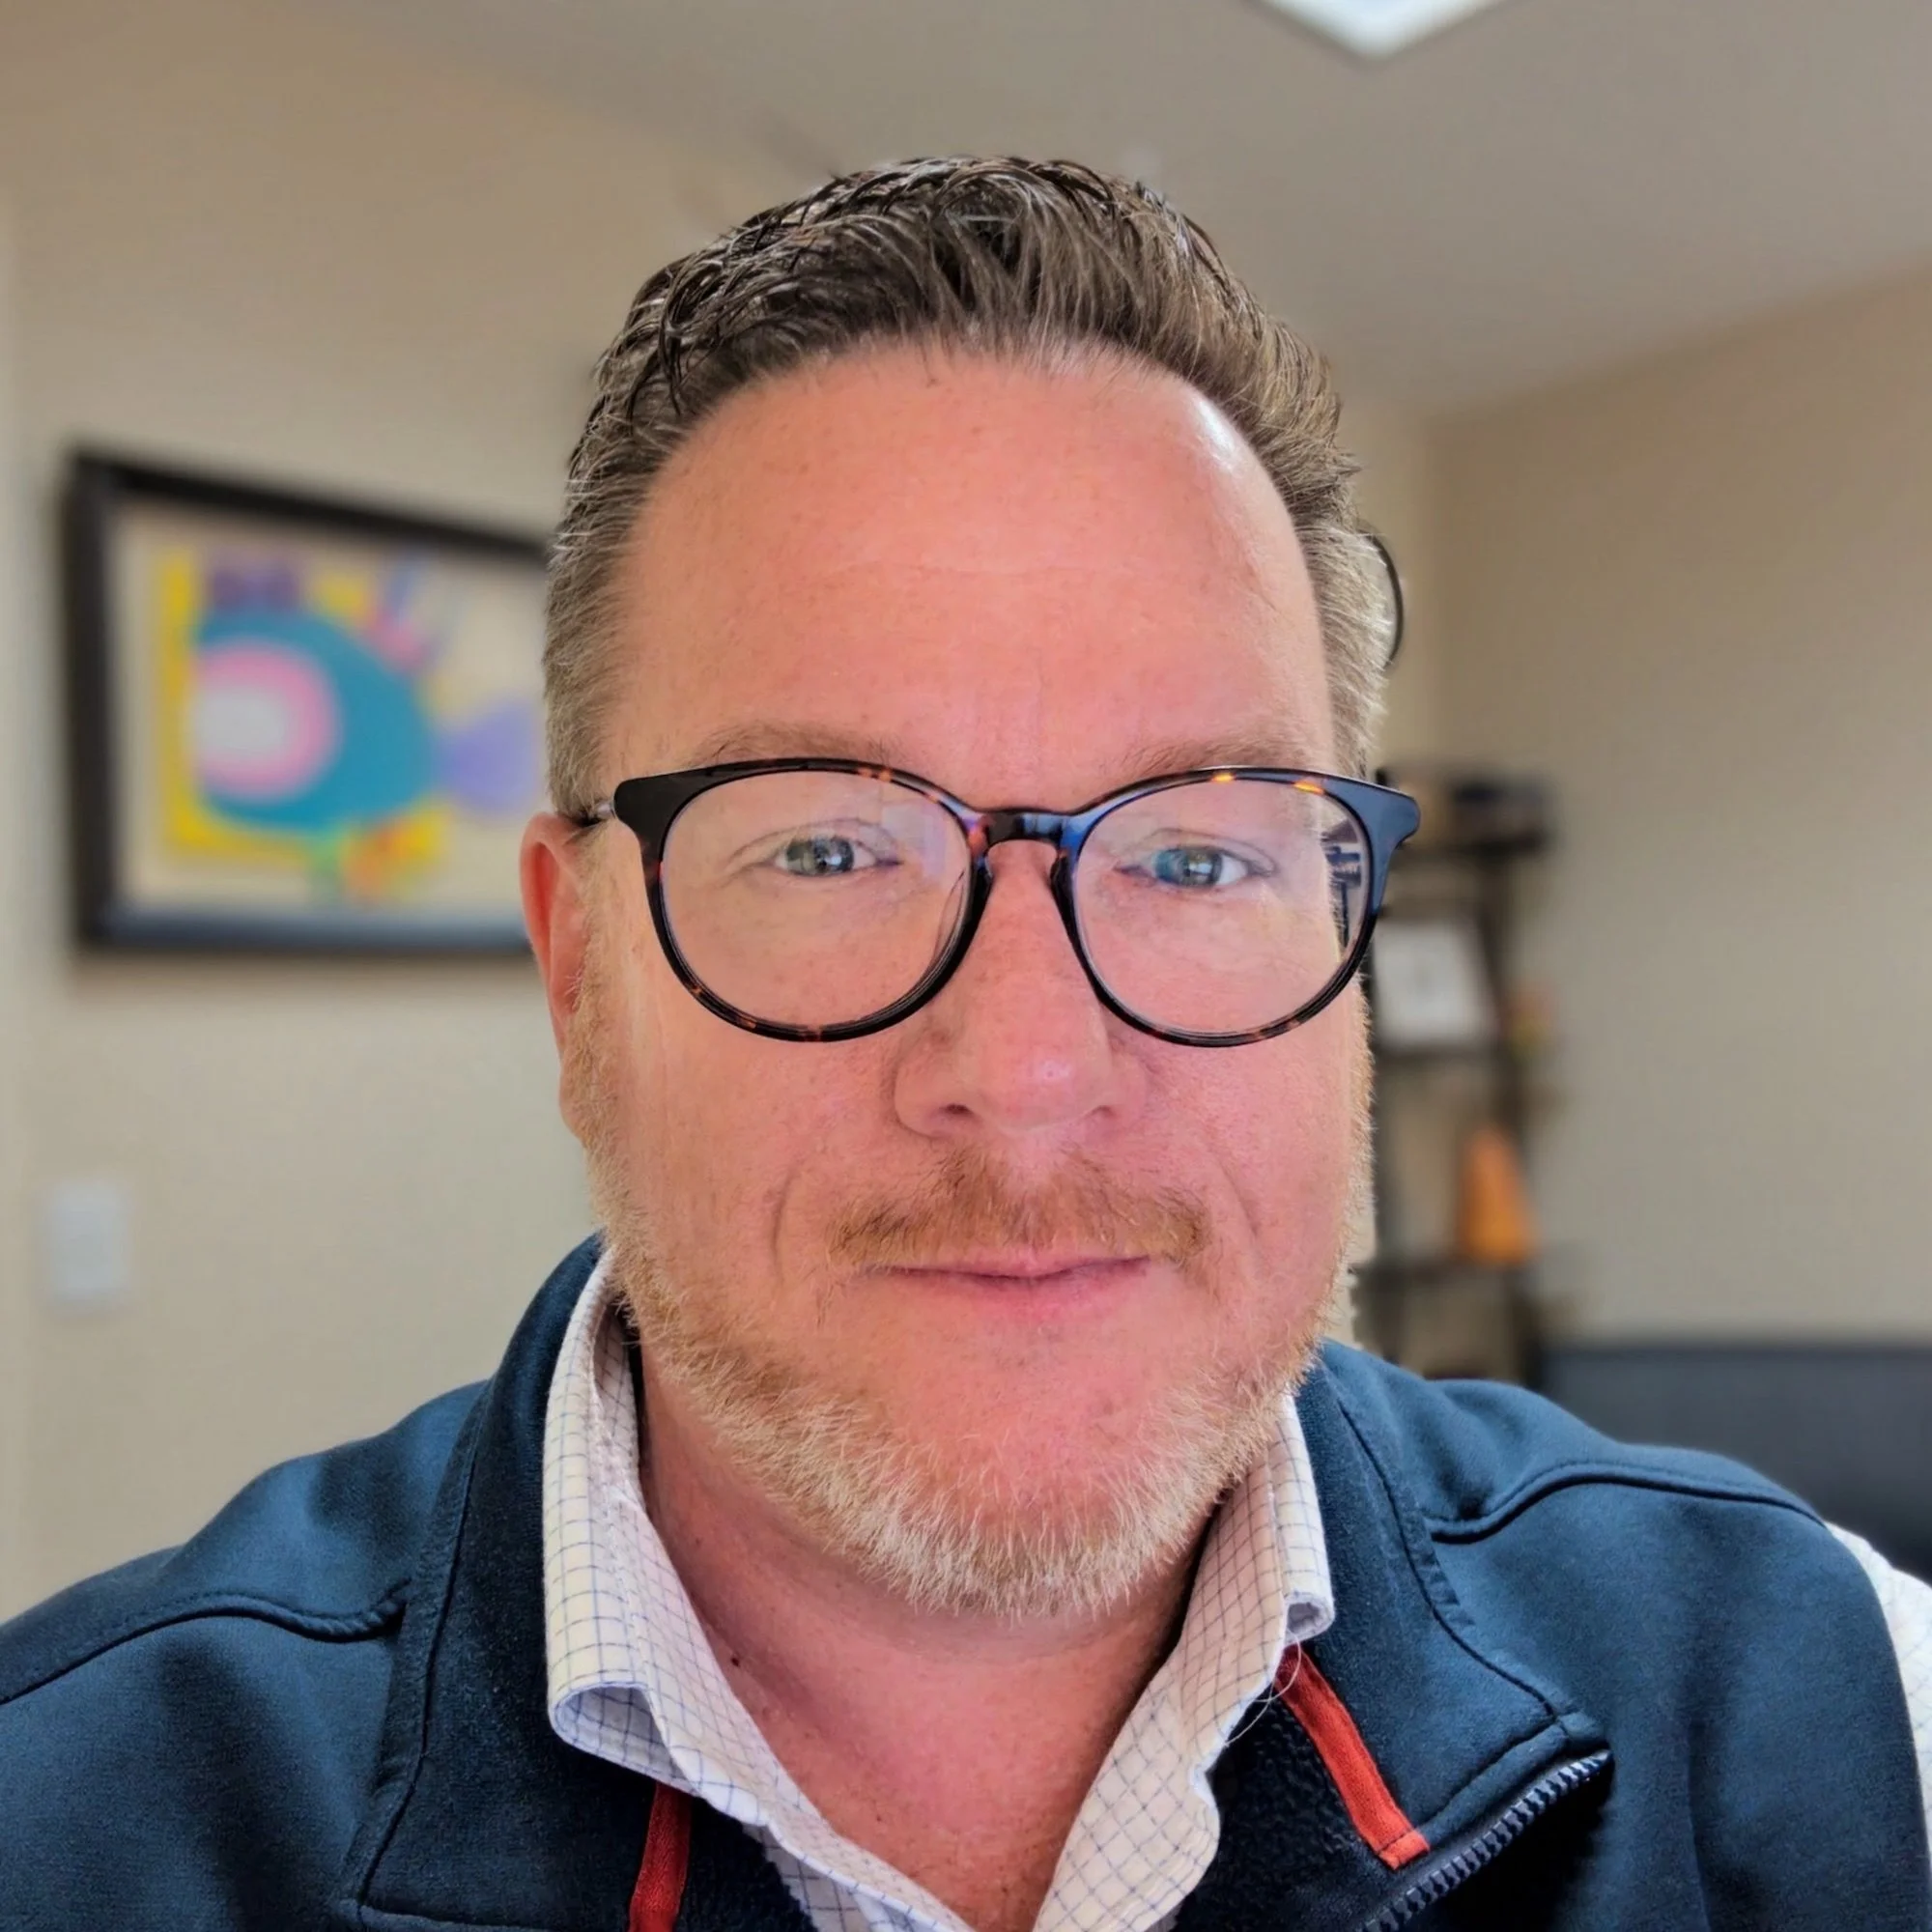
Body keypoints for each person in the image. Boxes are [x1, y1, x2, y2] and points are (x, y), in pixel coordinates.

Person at [1, 157, 1927, 1932]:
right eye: (830, 845)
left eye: (1191, 849)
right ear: (578, 971)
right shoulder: (77, 1824)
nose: (1020, 1069)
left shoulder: (1830, 1714)